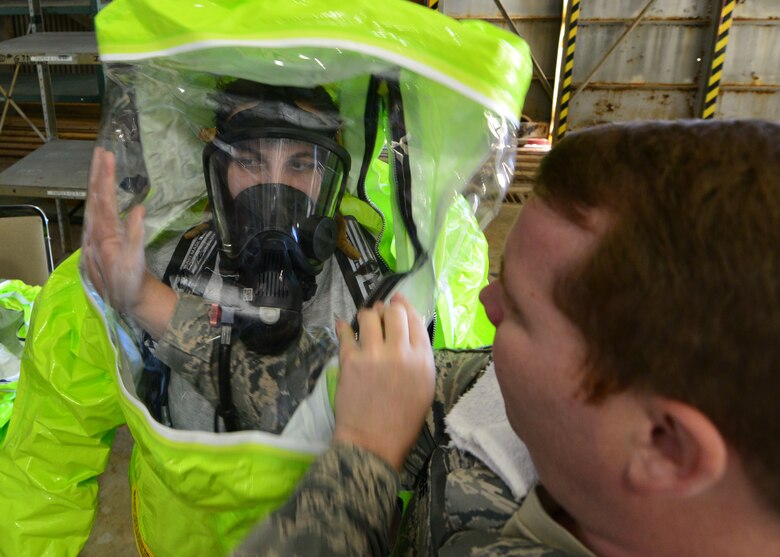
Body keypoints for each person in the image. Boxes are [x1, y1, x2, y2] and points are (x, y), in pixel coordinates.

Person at [233, 119, 780, 556]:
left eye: (518, 310)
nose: (484, 304)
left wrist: (364, 458)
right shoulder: (501, 398)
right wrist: (155, 303)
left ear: (665, 445)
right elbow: (324, 381)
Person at [84, 79, 361, 432]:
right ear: (219, 171)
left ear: (330, 178)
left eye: (301, 165)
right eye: (250, 161)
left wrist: (149, 301)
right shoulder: (153, 265)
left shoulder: (368, 286)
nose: (274, 190)